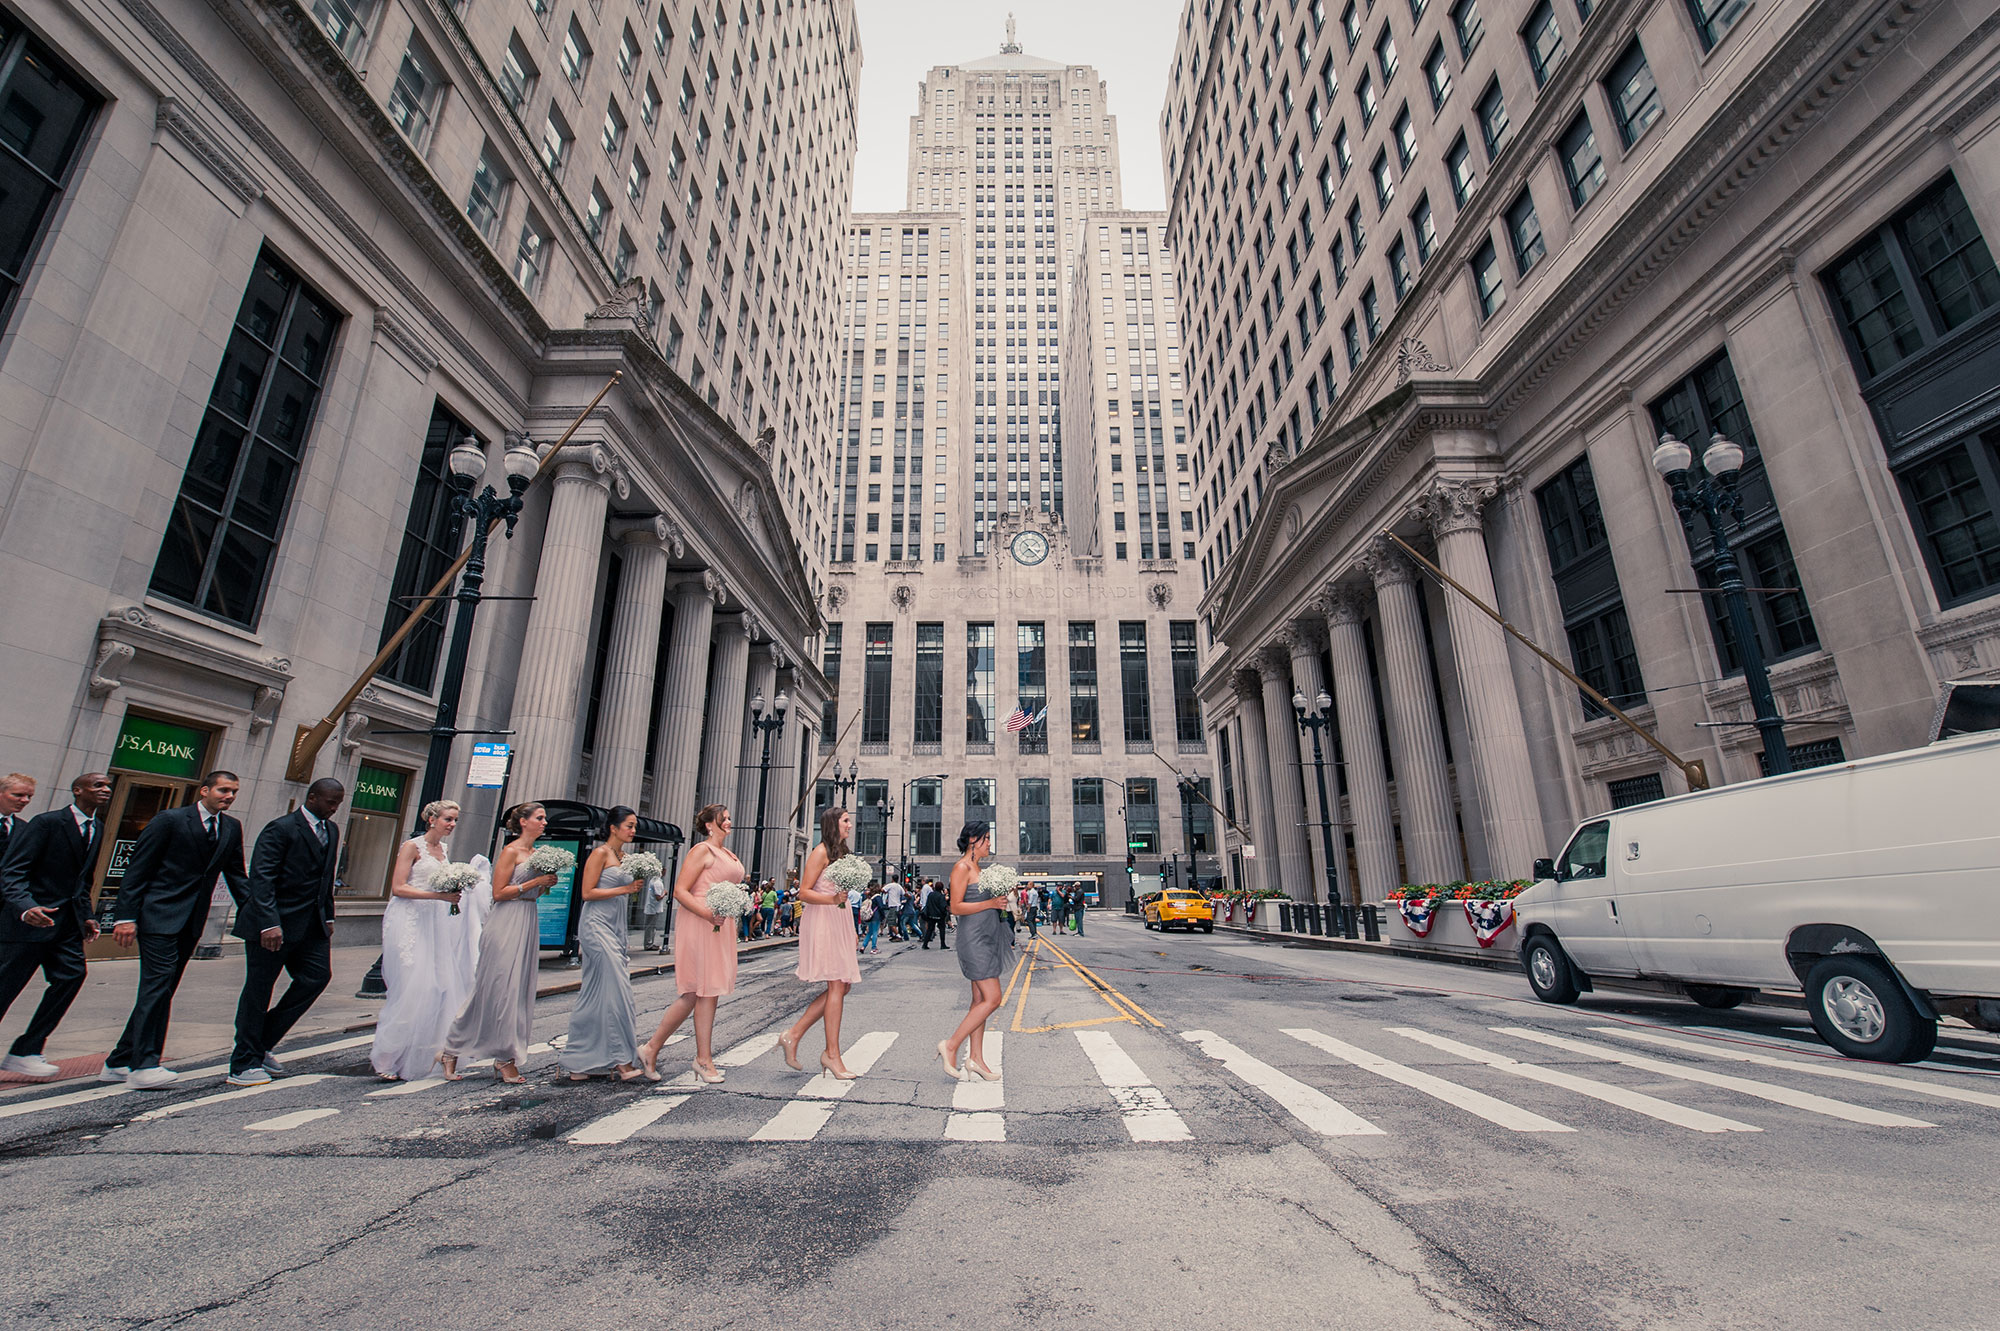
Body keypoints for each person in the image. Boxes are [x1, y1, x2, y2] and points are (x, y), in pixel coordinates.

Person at [106, 771, 250, 1088]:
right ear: (204, 791)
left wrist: (261, 916)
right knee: (156, 986)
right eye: (224, 790)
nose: (229, 796)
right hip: (158, 915)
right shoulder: (169, 820)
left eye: (234, 792)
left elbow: (237, 877)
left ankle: (118, 1061)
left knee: (164, 988)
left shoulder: (230, 827)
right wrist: (124, 917)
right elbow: (137, 871)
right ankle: (144, 1065)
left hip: (191, 921)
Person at [228, 778, 344, 1087]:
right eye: (330, 802)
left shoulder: (331, 830)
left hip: (312, 925)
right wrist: (269, 923)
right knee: (258, 990)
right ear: (313, 797)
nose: (334, 808)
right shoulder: (280, 828)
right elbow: (261, 878)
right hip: (272, 925)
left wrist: (328, 916)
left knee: (316, 978)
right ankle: (243, 1063)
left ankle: (262, 1041)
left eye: (338, 803)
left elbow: (326, 878)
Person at [0, 771, 109, 1078]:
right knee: (5, 988)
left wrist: (87, 914)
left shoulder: (97, 827)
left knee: (72, 977)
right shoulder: (46, 823)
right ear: (77, 790)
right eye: (97, 785)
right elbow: (13, 872)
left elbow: (82, 880)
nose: (105, 790)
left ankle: (27, 1049)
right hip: (29, 924)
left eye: (108, 786)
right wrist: (25, 907)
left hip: (66, 925)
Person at [441, 802, 559, 1084]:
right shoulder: (511, 851)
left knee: (518, 991)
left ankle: (504, 1056)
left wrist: (546, 885)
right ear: (523, 822)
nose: (544, 823)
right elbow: (499, 892)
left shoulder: (538, 854)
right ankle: (454, 1050)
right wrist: (534, 883)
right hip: (505, 922)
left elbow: (534, 894)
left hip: (528, 920)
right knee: (495, 989)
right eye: (539, 818)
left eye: (544, 819)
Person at [369, 800, 477, 1082]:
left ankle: (430, 1051)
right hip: (408, 918)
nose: (452, 824)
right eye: (448, 819)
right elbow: (398, 887)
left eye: (455, 820)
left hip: (434, 921)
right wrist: (439, 896)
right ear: (431, 819)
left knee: (437, 985)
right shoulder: (411, 847)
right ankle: (386, 1058)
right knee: (411, 986)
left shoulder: (443, 850)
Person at [636, 804, 742, 1083]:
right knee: (703, 990)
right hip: (701, 920)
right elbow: (681, 891)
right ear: (710, 824)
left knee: (701, 992)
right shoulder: (701, 851)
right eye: (724, 819)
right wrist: (709, 914)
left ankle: (651, 1048)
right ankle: (703, 1060)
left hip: (721, 922)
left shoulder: (727, 853)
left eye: (729, 818)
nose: (729, 822)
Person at [561, 806, 647, 1082]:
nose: (633, 831)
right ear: (613, 827)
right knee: (614, 990)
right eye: (629, 826)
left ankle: (582, 1061)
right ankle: (621, 1060)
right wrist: (626, 888)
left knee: (598, 993)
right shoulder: (600, 854)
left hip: (616, 925)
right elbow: (587, 893)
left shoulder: (626, 857)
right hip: (596, 926)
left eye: (634, 826)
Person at [777, 806, 862, 1079]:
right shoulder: (820, 852)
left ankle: (793, 1034)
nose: (850, 825)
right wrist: (832, 900)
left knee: (843, 985)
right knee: (837, 984)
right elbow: (803, 892)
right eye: (846, 821)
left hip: (840, 919)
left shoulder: (842, 854)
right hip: (824, 920)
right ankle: (832, 1054)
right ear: (833, 824)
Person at [938, 823, 1007, 1083]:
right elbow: (955, 907)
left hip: (988, 936)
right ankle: (952, 1045)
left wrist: (1002, 899)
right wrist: (989, 902)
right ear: (973, 841)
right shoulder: (962, 867)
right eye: (986, 838)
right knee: (993, 998)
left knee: (979, 1001)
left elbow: (982, 903)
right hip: (974, 940)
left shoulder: (979, 869)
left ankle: (976, 1059)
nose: (990, 843)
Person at [919, 878, 950, 950]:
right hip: (939, 916)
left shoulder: (931, 895)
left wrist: (929, 913)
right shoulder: (941, 896)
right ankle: (943, 944)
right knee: (942, 929)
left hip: (931, 915)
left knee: (929, 929)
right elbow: (943, 906)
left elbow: (928, 904)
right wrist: (945, 912)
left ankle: (925, 944)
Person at [859, 883, 883, 953]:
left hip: (870, 916)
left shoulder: (871, 897)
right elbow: (881, 907)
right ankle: (874, 948)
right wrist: (883, 916)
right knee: (875, 932)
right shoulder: (878, 897)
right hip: (876, 916)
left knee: (869, 932)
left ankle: (863, 946)